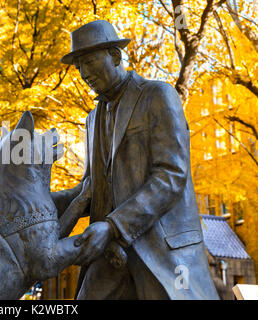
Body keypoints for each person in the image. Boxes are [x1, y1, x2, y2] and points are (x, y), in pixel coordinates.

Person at [52, 20, 219, 299]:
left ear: (115, 56)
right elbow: (89, 191)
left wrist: (114, 225)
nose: (83, 73)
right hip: (108, 254)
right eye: (78, 66)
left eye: (89, 62)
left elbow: (171, 175)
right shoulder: (92, 118)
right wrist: (35, 203)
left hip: (161, 253)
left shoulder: (157, 95)